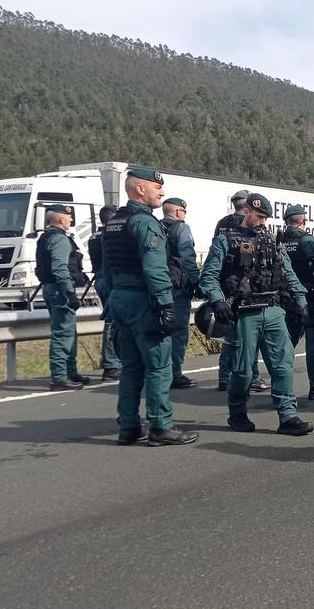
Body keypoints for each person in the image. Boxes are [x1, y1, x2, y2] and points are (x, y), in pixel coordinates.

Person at [199, 193, 314, 436]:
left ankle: (288, 416)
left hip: (273, 309)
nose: (262, 222)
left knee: (283, 365)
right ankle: (238, 412)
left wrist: (301, 300)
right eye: (259, 216)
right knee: (243, 371)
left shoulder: (271, 240)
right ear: (247, 211)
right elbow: (208, 276)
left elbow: (288, 273)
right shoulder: (225, 241)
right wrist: (218, 301)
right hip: (243, 313)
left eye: (265, 218)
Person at [102, 167, 197, 446]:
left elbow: (106, 268)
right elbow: (155, 268)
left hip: (120, 299)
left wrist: (110, 299)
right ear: (140, 189)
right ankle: (161, 426)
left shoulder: (114, 222)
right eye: (157, 188)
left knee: (131, 367)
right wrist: (166, 305)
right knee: (158, 366)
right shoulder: (145, 223)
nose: (162, 192)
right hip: (144, 300)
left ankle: (129, 426)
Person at [277, 204, 314, 401]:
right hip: (310, 295)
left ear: (286, 221)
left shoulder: (278, 242)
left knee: (285, 343)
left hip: (285, 296)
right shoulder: (309, 241)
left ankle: (281, 387)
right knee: (313, 340)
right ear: (304, 221)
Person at [35, 203, 91, 390]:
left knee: (69, 332)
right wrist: (69, 292)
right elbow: (60, 268)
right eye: (68, 216)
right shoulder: (59, 239)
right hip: (60, 290)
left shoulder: (45, 238)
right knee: (63, 333)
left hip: (52, 288)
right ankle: (59, 377)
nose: (71, 219)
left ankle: (70, 372)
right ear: (61, 218)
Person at [214, 189, 264, 393]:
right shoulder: (244, 225)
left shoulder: (222, 223)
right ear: (246, 207)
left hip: (226, 285)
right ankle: (251, 377)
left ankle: (224, 376)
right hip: (245, 287)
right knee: (246, 337)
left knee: (231, 334)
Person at [161, 197, 199, 389]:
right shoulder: (181, 228)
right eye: (183, 211)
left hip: (158, 286)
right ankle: (174, 373)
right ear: (178, 212)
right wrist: (196, 281)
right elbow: (187, 257)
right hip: (177, 286)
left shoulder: (156, 227)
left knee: (160, 330)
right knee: (178, 330)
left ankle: (160, 371)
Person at [89, 205, 121, 382]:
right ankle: (111, 365)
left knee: (113, 320)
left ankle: (113, 362)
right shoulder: (109, 235)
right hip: (110, 280)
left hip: (100, 279)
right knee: (113, 321)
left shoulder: (94, 236)